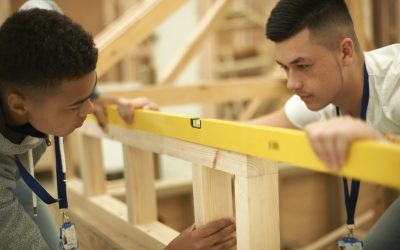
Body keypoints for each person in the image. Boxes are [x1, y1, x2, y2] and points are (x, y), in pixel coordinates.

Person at [0, 5, 235, 250]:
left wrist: (95, 94)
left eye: (89, 92)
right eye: (76, 104)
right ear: (18, 105)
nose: (90, 109)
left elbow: (40, 4)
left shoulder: (28, 65)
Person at [251, 0, 400, 249]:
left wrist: (379, 142)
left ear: (345, 52)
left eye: (302, 66)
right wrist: (164, 120)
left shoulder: (395, 86)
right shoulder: (322, 96)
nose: (291, 84)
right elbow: (248, 131)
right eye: (285, 68)